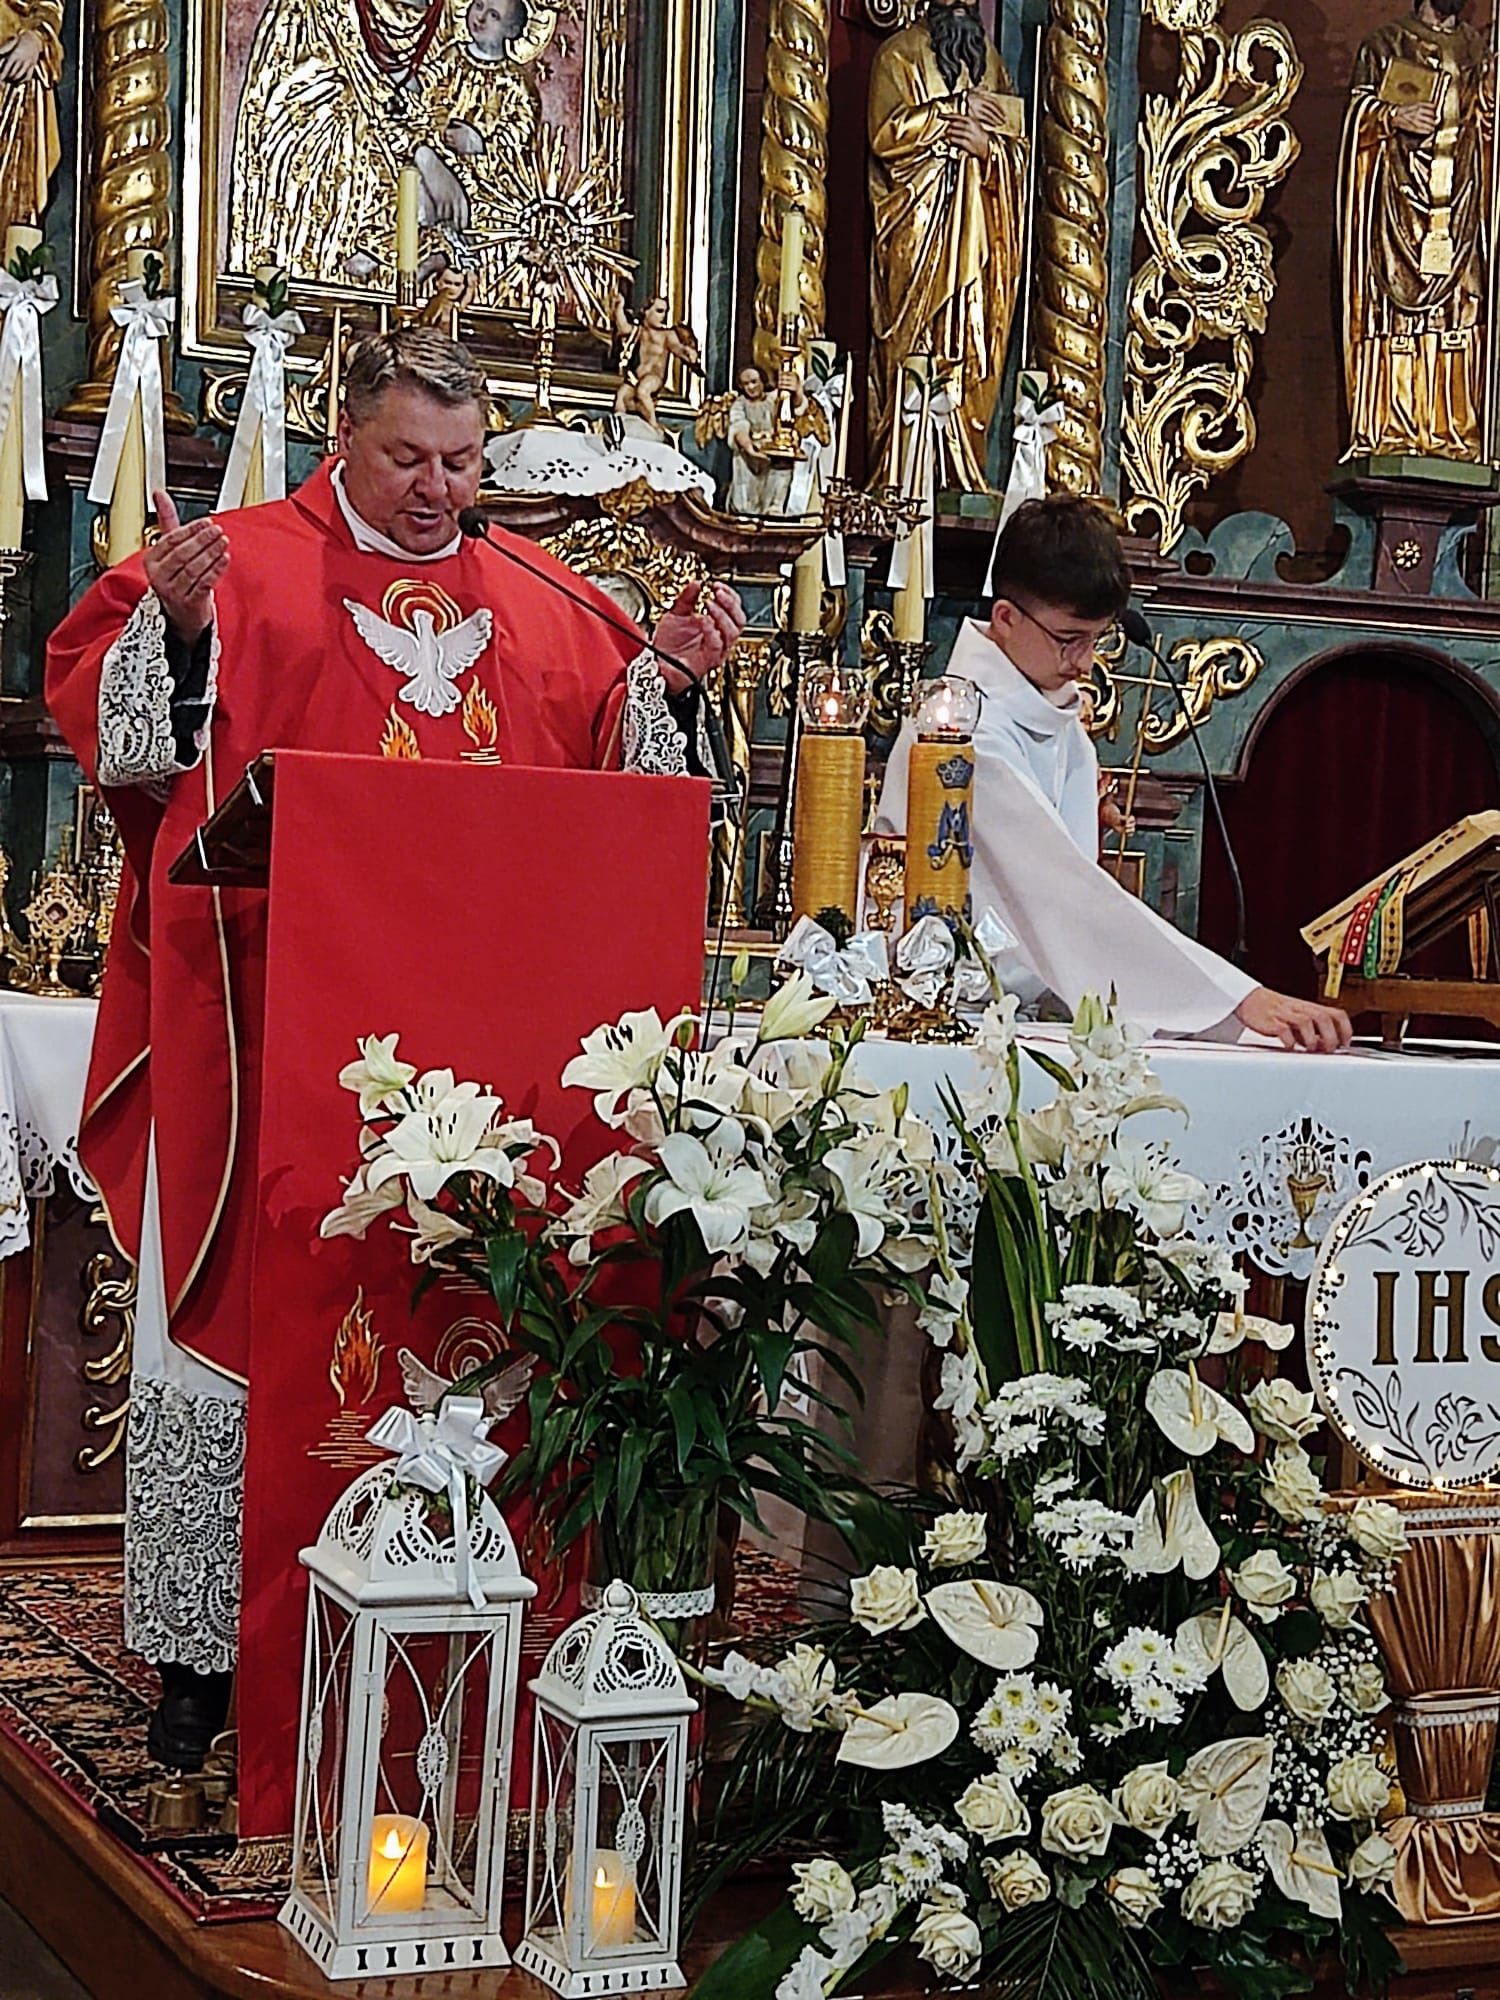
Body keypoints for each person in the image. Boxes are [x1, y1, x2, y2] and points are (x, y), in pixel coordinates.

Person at [46, 327, 745, 1768]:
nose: (438, 491)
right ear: (342, 444)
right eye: (409, 460)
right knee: (241, 1330)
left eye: (464, 463)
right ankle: (205, 1658)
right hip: (266, 1041)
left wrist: (664, 687)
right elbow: (124, 753)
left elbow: (629, 807)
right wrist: (173, 638)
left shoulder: (553, 603)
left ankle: (483, 1611)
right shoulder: (234, 564)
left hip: (480, 1054)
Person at [875, 496, 1352, 1052]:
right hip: (939, 1019)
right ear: (1005, 618)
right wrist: (1233, 999)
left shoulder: (1058, 718)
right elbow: (1063, 895)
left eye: (1096, 639)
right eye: (1068, 638)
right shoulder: (961, 732)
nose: (1083, 661)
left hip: (1023, 1015)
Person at [866, 0, 1027, 492]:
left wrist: (988, 150)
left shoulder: (992, 64)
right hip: (916, 231)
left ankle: (964, 467)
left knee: (975, 348)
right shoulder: (899, 54)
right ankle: (902, 473)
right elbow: (884, 134)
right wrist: (950, 113)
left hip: (980, 239)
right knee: (912, 347)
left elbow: (1017, 148)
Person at [1338, 0, 1492, 461]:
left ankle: (1453, 428)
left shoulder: (1478, 49)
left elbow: (1488, 121)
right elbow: (1356, 117)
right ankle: (1393, 424)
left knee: (1461, 310)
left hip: (1461, 200)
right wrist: (1390, 117)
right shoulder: (1384, 44)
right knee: (1396, 310)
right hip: (1398, 201)